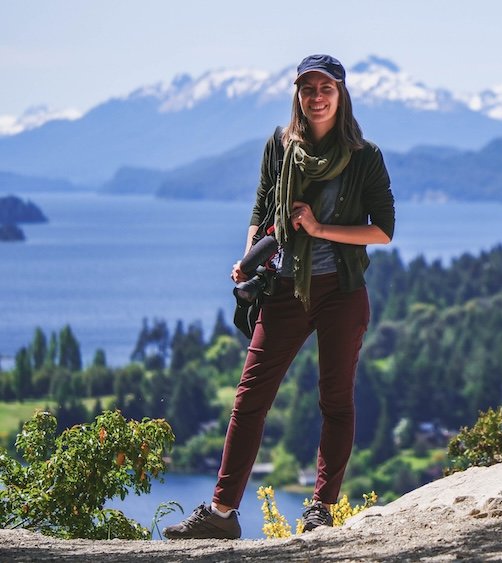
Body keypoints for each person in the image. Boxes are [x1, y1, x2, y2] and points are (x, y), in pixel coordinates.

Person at [164, 54, 395, 540]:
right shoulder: (280, 143)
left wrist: (318, 227)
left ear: (341, 94)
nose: (316, 97)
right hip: (285, 287)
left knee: (335, 400)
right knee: (249, 398)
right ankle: (222, 514)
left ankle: (320, 509)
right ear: (298, 95)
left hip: (341, 290)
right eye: (308, 88)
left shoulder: (364, 156)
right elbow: (262, 205)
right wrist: (249, 256)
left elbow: (383, 230)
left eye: (326, 88)